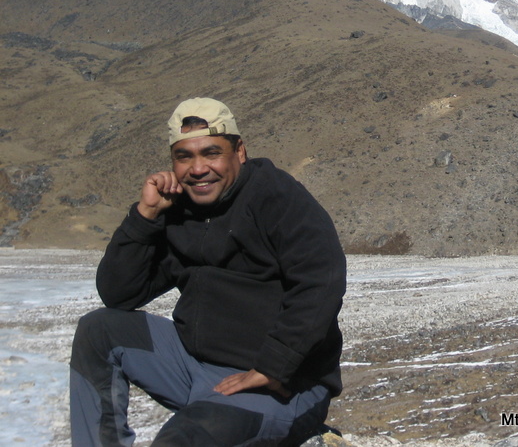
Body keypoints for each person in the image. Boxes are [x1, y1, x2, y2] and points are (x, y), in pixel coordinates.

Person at [70, 98, 346, 446]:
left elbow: (323, 280)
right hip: (194, 369)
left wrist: (275, 365)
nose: (198, 169)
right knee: (99, 330)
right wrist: (145, 216)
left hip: (279, 384)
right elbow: (119, 293)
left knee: (185, 438)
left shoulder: (276, 196)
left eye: (211, 153)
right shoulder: (178, 209)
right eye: (184, 156)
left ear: (240, 151)